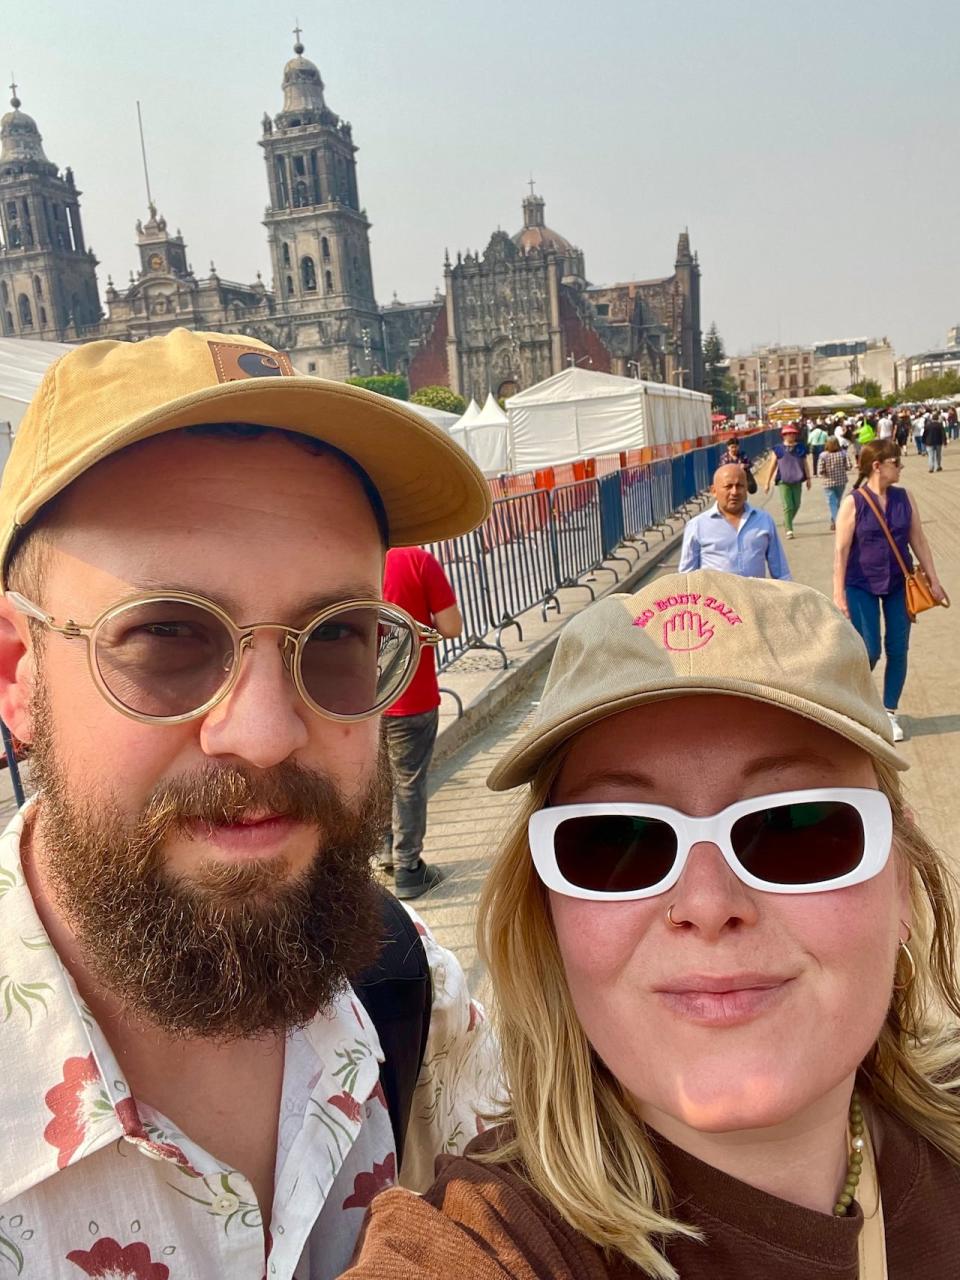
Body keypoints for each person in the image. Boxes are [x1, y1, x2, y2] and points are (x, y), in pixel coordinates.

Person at [0, 329, 498, 1278]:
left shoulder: (412, 998)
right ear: (19, 672)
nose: (266, 732)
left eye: (337, 637)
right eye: (167, 638)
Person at [345, 569, 960, 1280]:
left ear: (902, 881)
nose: (705, 903)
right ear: (549, 913)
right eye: (617, 841)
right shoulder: (491, 1241)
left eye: (797, 827)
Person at [834, 440, 947, 743]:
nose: (901, 467)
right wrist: (839, 594)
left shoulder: (904, 497)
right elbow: (841, 552)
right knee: (869, 650)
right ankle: (858, 701)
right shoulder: (853, 502)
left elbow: (918, 541)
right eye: (896, 462)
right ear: (878, 466)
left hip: (900, 584)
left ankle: (889, 712)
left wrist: (934, 580)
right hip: (861, 585)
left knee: (898, 649)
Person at [380, 546, 462, 899]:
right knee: (408, 782)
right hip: (411, 694)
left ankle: (385, 852)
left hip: (361, 701)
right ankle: (408, 868)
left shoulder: (354, 553)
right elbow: (451, 626)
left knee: (377, 778)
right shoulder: (417, 560)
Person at [679, 464, 791, 579]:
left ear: (746, 487)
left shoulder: (763, 520)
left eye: (740, 486)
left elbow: (781, 572)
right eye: (728, 486)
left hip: (755, 595)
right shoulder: (697, 525)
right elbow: (686, 576)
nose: (734, 492)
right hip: (716, 596)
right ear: (714, 491)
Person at [761, 423, 811, 540]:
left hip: (797, 480)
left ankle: (787, 521)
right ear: (783, 435)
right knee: (787, 506)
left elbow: (805, 464)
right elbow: (773, 465)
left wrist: (808, 478)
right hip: (783, 481)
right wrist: (767, 482)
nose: (791, 436)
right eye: (788, 434)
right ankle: (789, 529)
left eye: (793, 434)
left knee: (796, 504)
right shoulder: (778, 449)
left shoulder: (800, 448)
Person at [817, 434, 851, 530]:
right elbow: (849, 466)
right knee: (837, 502)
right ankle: (834, 520)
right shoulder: (843, 453)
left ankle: (837, 522)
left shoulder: (823, 455)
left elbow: (820, 470)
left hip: (828, 482)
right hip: (841, 481)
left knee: (832, 502)